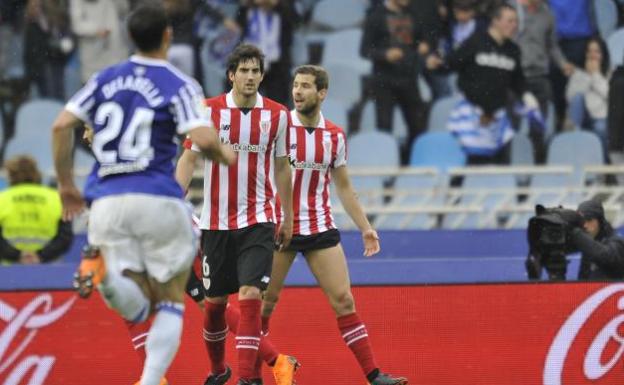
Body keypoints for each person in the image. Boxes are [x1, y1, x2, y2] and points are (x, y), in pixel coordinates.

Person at [52, 4, 234, 385]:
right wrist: (224, 153)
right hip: (156, 197)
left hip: (105, 202)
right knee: (170, 298)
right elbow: (201, 138)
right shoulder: (178, 82)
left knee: (134, 304)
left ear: (130, 37)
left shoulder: (104, 78)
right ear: (167, 35)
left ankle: (102, 274)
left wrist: (67, 185)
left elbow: (61, 125)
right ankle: (150, 382)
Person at [265, 65, 408, 385]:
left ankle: (374, 375)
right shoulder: (278, 126)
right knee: (263, 305)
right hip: (279, 227)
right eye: (295, 85)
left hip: (319, 227)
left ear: (322, 93)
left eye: (305, 86)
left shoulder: (334, 135)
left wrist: (365, 227)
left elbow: (343, 186)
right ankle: (260, 370)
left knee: (344, 300)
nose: (297, 92)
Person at [176, 43, 294, 385]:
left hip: (259, 219)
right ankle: (218, 370)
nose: (251, 76)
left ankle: (247, 378)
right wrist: (171, 198)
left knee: (250, 296)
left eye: (256, 70)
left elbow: (283, 167)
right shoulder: (209, 111)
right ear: (231, 75)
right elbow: (188, 159)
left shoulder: (277, 115)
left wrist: (286, 215)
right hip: (215, 223)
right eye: (244, 70)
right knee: (213, 306)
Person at [429, 3, 536, 164]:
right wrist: (435, 64)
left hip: (497, 117)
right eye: (509, 21)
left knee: (501, 167)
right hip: (473, 116)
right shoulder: (476, 41)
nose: (514, 26)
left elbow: (518, 80)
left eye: (515, 22)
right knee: (471, 167)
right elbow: (451, 63)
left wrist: (527, 95)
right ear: (495, 21)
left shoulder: (513, 50)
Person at [360, 0, 426, 163]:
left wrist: (423, 47)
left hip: (409, 78)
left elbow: (419, 40)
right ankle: (386, 167)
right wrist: (385, 55)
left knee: (417, 125)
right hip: (384, 81)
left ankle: (412, 165)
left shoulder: (413, 13)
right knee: (384, 127)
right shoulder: (376, 15)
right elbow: (364, 50)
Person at [515, 0, 573, 163]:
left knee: (538, 128)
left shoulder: (547, 15)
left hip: (540, 76)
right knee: (514, 126)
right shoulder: (512, 10)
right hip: (516, 78)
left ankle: (537, 166)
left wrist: (562, 63)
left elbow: (552, 45)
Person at [0, 155, 73, 265]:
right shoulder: (56, 198)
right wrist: (40, 256)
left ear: (11, 176)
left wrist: (18, 255)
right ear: (36, 173)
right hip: (49, 269)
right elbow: (65, 237)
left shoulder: (2, 198)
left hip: (8, 270)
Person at [566, 37, 611, 157]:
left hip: (602, 118)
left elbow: (610, 96)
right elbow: (570, 98)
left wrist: (595, 76)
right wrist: (587, 77)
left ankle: (603, 164)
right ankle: (575, 140)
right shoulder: (578, 74)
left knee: (601, 127)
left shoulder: (610, 74)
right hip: (580, 118)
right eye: (589, 51)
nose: (592, 55)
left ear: (603, 54)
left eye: (597, 51)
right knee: (578, 97)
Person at [69, 0, 129, 84]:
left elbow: (123, 9)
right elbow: (77, 25)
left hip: (115, 51)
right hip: (93, 54)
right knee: (94, 86)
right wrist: (96, 30)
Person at [568, 200, 624, 280]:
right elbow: (583, 282)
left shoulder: (617, 243)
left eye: (589, 220)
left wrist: (577, 234)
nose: (585, 225)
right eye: (582, 221)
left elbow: (606, 257)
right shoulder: (588, 245)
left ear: (600, 221)